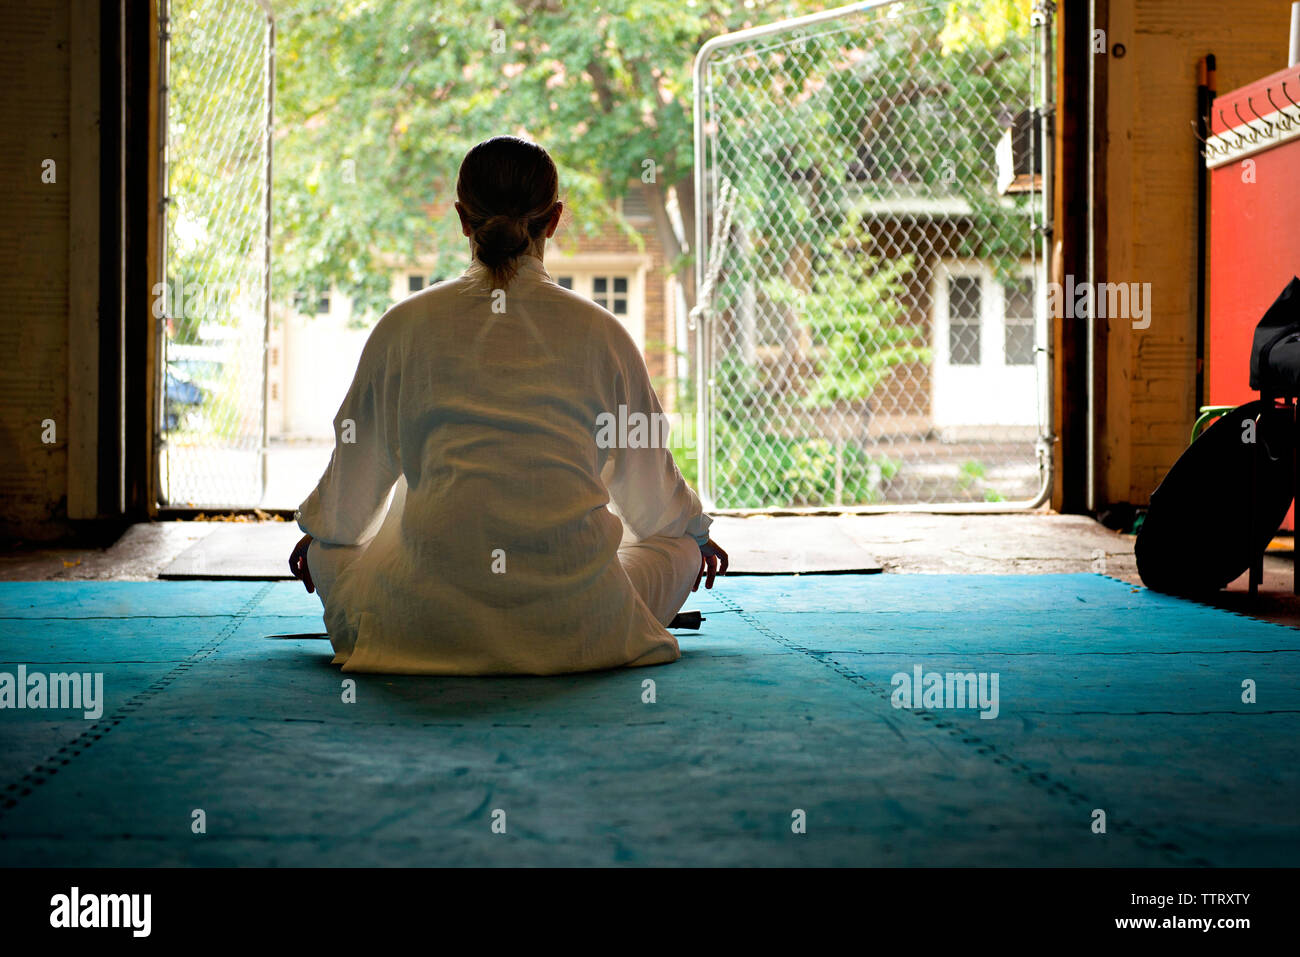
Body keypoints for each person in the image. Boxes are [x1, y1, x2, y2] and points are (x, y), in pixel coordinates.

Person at [287, 135, 726, 675]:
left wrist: (317, 536)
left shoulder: (402, 327)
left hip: (417, 626)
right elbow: (654, 502)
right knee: (678, 544)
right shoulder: (602, 333)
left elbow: (346, 512)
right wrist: (698, 536)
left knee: (328, 547)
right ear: (555, 218)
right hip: (583, 627)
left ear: (462, 220)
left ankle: (418, 625)